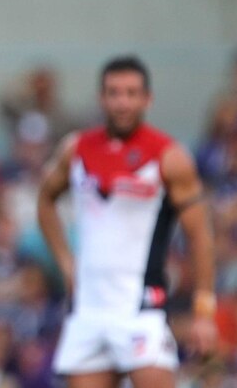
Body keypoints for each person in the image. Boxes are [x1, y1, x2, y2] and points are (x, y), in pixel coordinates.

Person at [36, 56, 217, 388]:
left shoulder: (168, 157)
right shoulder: (76, 150)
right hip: (89, 308)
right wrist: (65, 262)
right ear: (101, 98)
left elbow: (200, 235)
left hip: (140, 306)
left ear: (147, 99)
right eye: (114, 93)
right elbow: (45, 200)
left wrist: (203, 311)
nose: (123, 102)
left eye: (132, 93)